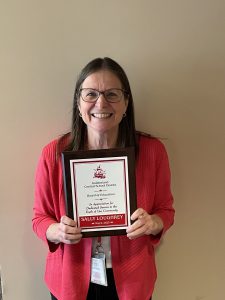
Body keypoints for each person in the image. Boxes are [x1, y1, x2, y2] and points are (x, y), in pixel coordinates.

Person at [32, 57, 175, 300]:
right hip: (70, 279)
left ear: (126, 102)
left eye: (112, 94)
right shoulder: (53, 154)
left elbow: (166, 211)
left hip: (132, 279)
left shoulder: (153, 152)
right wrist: (57, 231)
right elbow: (39, 219)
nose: (101, 103)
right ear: (78, 103)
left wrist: (153, 222)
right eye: (90, 94)